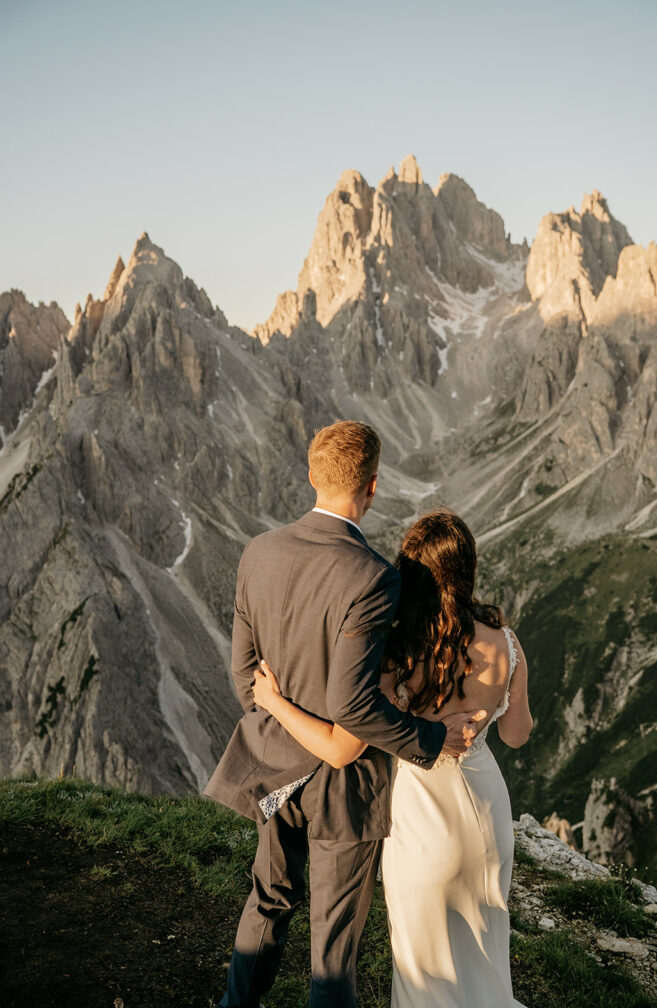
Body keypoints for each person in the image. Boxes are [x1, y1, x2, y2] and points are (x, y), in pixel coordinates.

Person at [204, 422, 485, 1008]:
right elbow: (352, 706)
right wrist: (432, 739)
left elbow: (244, 676)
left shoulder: (258, 552)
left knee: (268, 899)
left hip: (274, 765)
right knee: (332, 949)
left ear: (312, 475)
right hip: (343, 785)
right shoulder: (374, 577)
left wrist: (280, 721)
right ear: (373, 487)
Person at [253, 509, 533, 1008]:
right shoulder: (504, 642)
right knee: (485, 952)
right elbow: (516, 735)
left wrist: (273, 702)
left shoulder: (400, 652)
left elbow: (349, 738)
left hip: (423, 819)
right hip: (488, 812)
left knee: (424, 971)